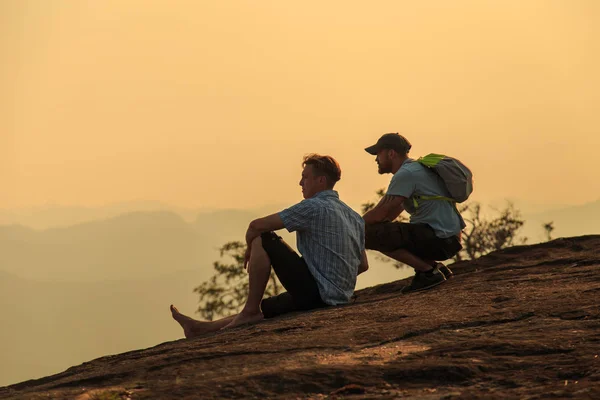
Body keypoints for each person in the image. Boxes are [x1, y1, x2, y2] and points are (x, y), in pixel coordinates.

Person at [171, 154, 367, 338]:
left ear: (321, 181)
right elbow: (362, 265)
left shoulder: (313, 207)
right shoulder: (354, 217)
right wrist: (333, 283)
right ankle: (200, 328)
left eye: (305, 177)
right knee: (268, 308)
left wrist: (251, 247)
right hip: (336, 297)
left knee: (263, 237)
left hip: (316, 295)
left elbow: (256, 226)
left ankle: (249, 310)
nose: (300, 183)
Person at [362, 133, 465, 293]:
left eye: (378, 154)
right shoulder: (416, 169)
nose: (376, 159)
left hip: (440, 239)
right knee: (378, 232)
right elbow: (388, 214)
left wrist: (351, 227)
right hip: (450, 238)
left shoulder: (406, 174)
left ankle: (428, 272)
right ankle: (435, 267)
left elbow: (380, 213)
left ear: (391, 153)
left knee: (366, 234)